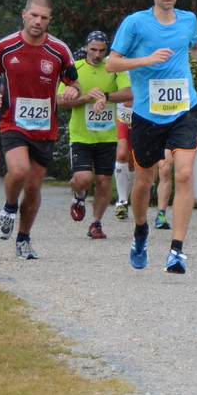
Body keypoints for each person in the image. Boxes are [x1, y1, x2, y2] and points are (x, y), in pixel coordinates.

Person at [107, 0, 197, 273]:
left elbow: (194, 44)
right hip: (146, 114)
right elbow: (111, 65)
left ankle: (177, 250)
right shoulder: (135, 23)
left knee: (183, 174)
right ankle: (141, 229)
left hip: (183, 109)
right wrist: (146, 59)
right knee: (144, 181)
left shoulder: (188, 19)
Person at [0, 0, 83, 259]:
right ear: (24, 15)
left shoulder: (59, 50)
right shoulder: (5, 47)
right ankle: (8, 209)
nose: (38, 21)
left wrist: (72, 92)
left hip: (45, 127)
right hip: (12, 122)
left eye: (44, 17)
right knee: (18, 171)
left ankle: (24, 238)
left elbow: (74, 83)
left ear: (50, 20)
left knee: (34, 186)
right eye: (34, 16)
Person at [63, 31, 134, 240]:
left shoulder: (113, 67)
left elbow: (129, 93)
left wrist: (106, 96)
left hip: (107, 136)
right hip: (81, 136)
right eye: (93, 50)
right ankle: (78, 195)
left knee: (104, 181)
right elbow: (59, 100)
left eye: (102, 50)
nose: (97, 54)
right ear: (85, 48)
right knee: (83, 179)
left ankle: (96, 223)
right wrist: (85, 97)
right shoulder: (74, 68)